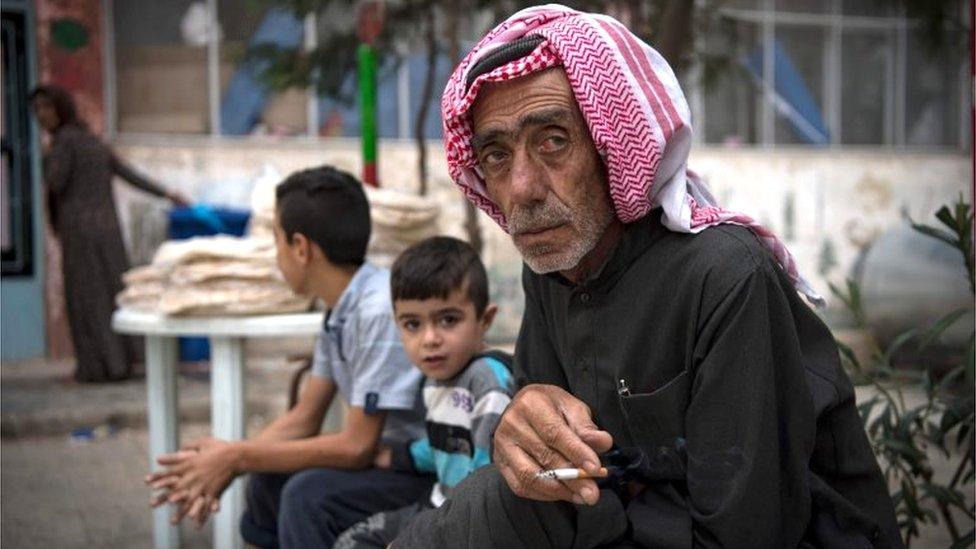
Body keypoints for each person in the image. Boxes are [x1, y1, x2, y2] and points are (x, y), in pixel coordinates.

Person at [392, 6, 901, 548]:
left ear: (611, 148)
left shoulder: (724, 276)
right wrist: (517, 425)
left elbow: (747, 530)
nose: (522, 189)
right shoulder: (551, 264)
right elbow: (549, 455)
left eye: (554, 141)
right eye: (495, 154)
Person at [144, 166, 433, 548]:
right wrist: (228, 458)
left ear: (301, 248)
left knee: (307, 495)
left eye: (275, 240)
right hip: (383, 460)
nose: (275, 254)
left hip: (423, 467)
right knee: (269, 478)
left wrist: (238, 458)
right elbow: (304, 417)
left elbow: (356, 446)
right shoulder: (339, 311)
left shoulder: (378, 309)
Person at [335, 236, 515, 549]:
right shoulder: (437, 380)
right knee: (355, 540)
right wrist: (395, 455)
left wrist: (424, 539)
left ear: (484, 320)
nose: (430, 339)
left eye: (448, 320)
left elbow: (488, 479)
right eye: (412, 324)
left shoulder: (487, 381)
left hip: (473, 526)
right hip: (438, 506)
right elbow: (443, 446)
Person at [30, 84, 188, 382]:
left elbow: (56, 182)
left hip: (80, 236)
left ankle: (97, 370)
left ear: (60, 109)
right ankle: (122, 364)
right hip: (108, 232)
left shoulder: (63, 143)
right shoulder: (92, 141)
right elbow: (125, 173)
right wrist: (167, 193)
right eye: (37, 109)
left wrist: (47, 156)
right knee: (113, 297)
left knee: (86, 301)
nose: (42, 115)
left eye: (47, 108)